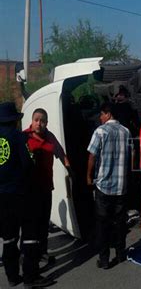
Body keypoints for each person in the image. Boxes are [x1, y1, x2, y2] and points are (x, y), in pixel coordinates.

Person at [0, 102, 53, 288]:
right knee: (30, 236)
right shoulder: (17, 137)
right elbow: (27, 165)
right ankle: (31, 277)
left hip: (2, 198)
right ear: (14, 120)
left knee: (9, 239)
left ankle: (12, 277)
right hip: (21, 195)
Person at [23, 108, 71, 265]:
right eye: (36, 119)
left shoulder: (50, 137)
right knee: (31, 226)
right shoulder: (24, 137)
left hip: (45, 188)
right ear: (32, 121)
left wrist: (70, 171)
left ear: (46, 123)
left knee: (43, 223)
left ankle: (42, 252)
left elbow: (61, 154)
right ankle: (28, 257)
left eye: (42, 120)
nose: (39, 123)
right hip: (29, 191)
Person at [87, 102, 131, 269]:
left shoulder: (100, 131)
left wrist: (88, 176)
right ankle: (120, 254)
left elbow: (92, 156)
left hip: (104, 186)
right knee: (120, 223)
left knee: (103, 224)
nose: (100, 117)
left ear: (108, 114)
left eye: (102, 114)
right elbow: (131, 156)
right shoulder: (126, 132)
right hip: (121, 186)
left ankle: (104, 260)